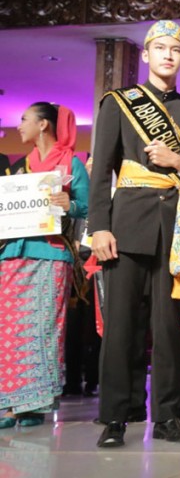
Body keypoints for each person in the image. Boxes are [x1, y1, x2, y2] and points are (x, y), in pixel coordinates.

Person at [90, 20, 180, 448]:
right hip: (126, 226)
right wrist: (98, 227)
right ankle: (115, 417)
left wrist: (179, 161)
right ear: (146, 55)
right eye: (160, 48)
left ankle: (167, 416)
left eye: (176, 50)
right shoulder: (118, 103)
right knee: (120, 327)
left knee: (168, 328)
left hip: (174, 233)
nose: (168, 55)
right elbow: (100, 172)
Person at [0, 103, 89, 428]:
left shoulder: (71, 164)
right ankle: (11, 404)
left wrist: (71, 204)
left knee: (43, 329)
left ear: (43, 125)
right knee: (10, 331)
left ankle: (35, 405)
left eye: (24, 119)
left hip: (51, 254)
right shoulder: (19, 167)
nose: (19, 125)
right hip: (13, 255)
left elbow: (88, 206)